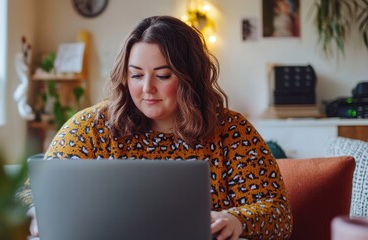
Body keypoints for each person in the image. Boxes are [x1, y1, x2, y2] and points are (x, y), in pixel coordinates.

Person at [18, 15, 293, 239]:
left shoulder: (232, 131)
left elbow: (278, 214)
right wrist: (34, 213)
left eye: (162, 75)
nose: (147, 89)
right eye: (136, 75)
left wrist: (236, 219)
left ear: (190, 78)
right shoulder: (90, 127)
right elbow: (32, 193)